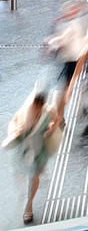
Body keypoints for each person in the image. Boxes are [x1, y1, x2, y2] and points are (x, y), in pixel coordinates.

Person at [3, 91, 59, 224]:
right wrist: (15, 131)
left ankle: (28, 207)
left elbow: (55, 121)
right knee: (21, 173)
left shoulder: (49, 110)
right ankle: (27, 188)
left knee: (33, 176)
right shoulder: (24, 111)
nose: (36, 109)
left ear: (43, 104)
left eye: (39, 106)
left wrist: (50, 129)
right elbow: (13, 122)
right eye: (35, 106)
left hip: (39, 149)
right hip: (24, 148)